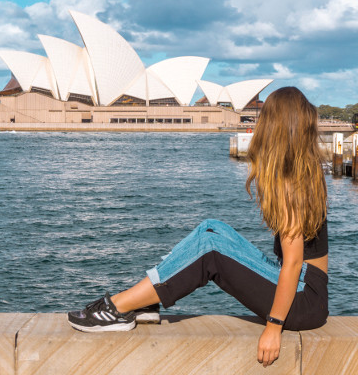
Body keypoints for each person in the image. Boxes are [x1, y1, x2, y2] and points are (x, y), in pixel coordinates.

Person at [68, 87, 328, 367]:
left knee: (210, 252)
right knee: (211, 229)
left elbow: (293, 263)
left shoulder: (291, 185)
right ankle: (142, 302)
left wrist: (273, 327)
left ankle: (117, 306)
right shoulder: (303, 173)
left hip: (303, 301)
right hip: (308, 294)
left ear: (275, 127)